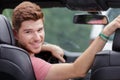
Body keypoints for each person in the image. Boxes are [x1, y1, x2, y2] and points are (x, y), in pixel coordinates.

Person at [12, 1, 120, 80]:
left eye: (40, 30)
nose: (37, 38)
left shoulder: (10, 56)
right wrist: (106, 32)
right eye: (28, 32)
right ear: (15, 34)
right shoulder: (33, 65)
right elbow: (78, 70)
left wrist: (46, 47)